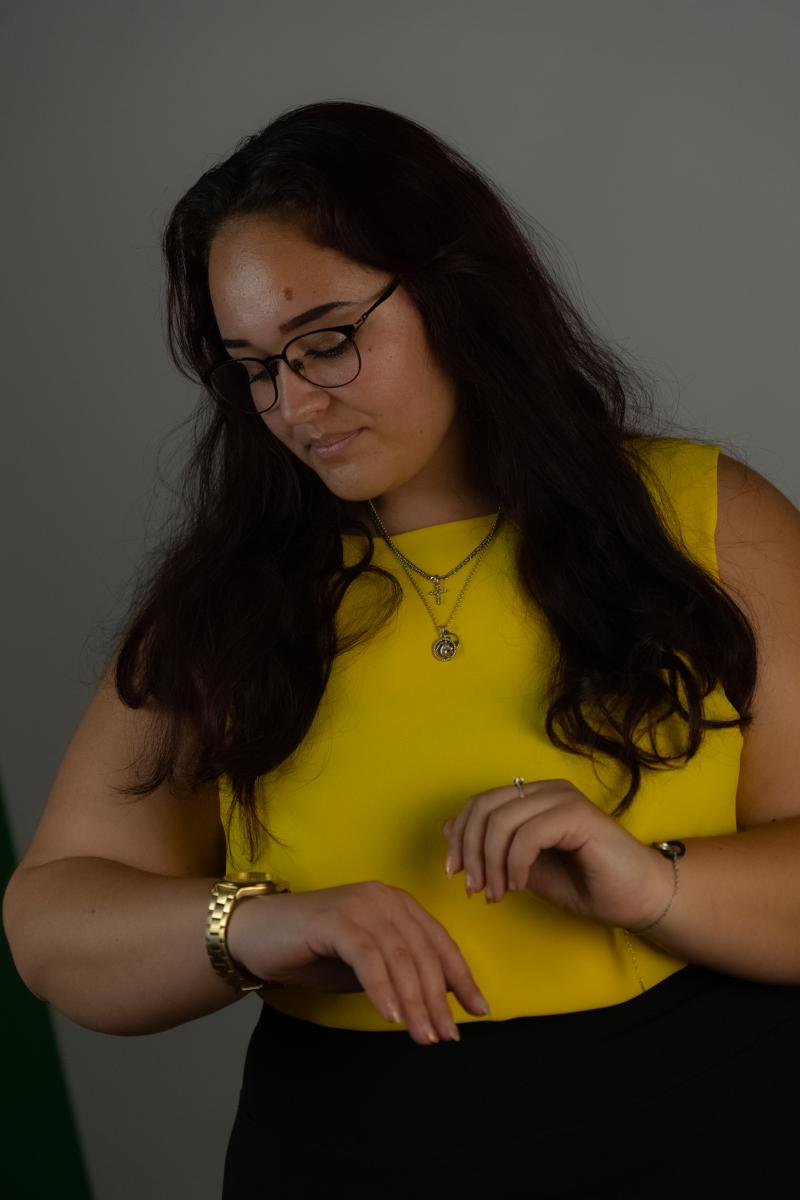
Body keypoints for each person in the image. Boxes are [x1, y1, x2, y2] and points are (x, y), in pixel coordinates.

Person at [3, 99, 800, 1198]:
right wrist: (260, 925)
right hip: (353, 1150)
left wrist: (653, 883)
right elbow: (52, 924)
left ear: (455, 289)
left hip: (718, 1126)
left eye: (327, 341)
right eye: (255, 366)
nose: (293, 405)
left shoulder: (701, 517)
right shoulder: (231, 600)